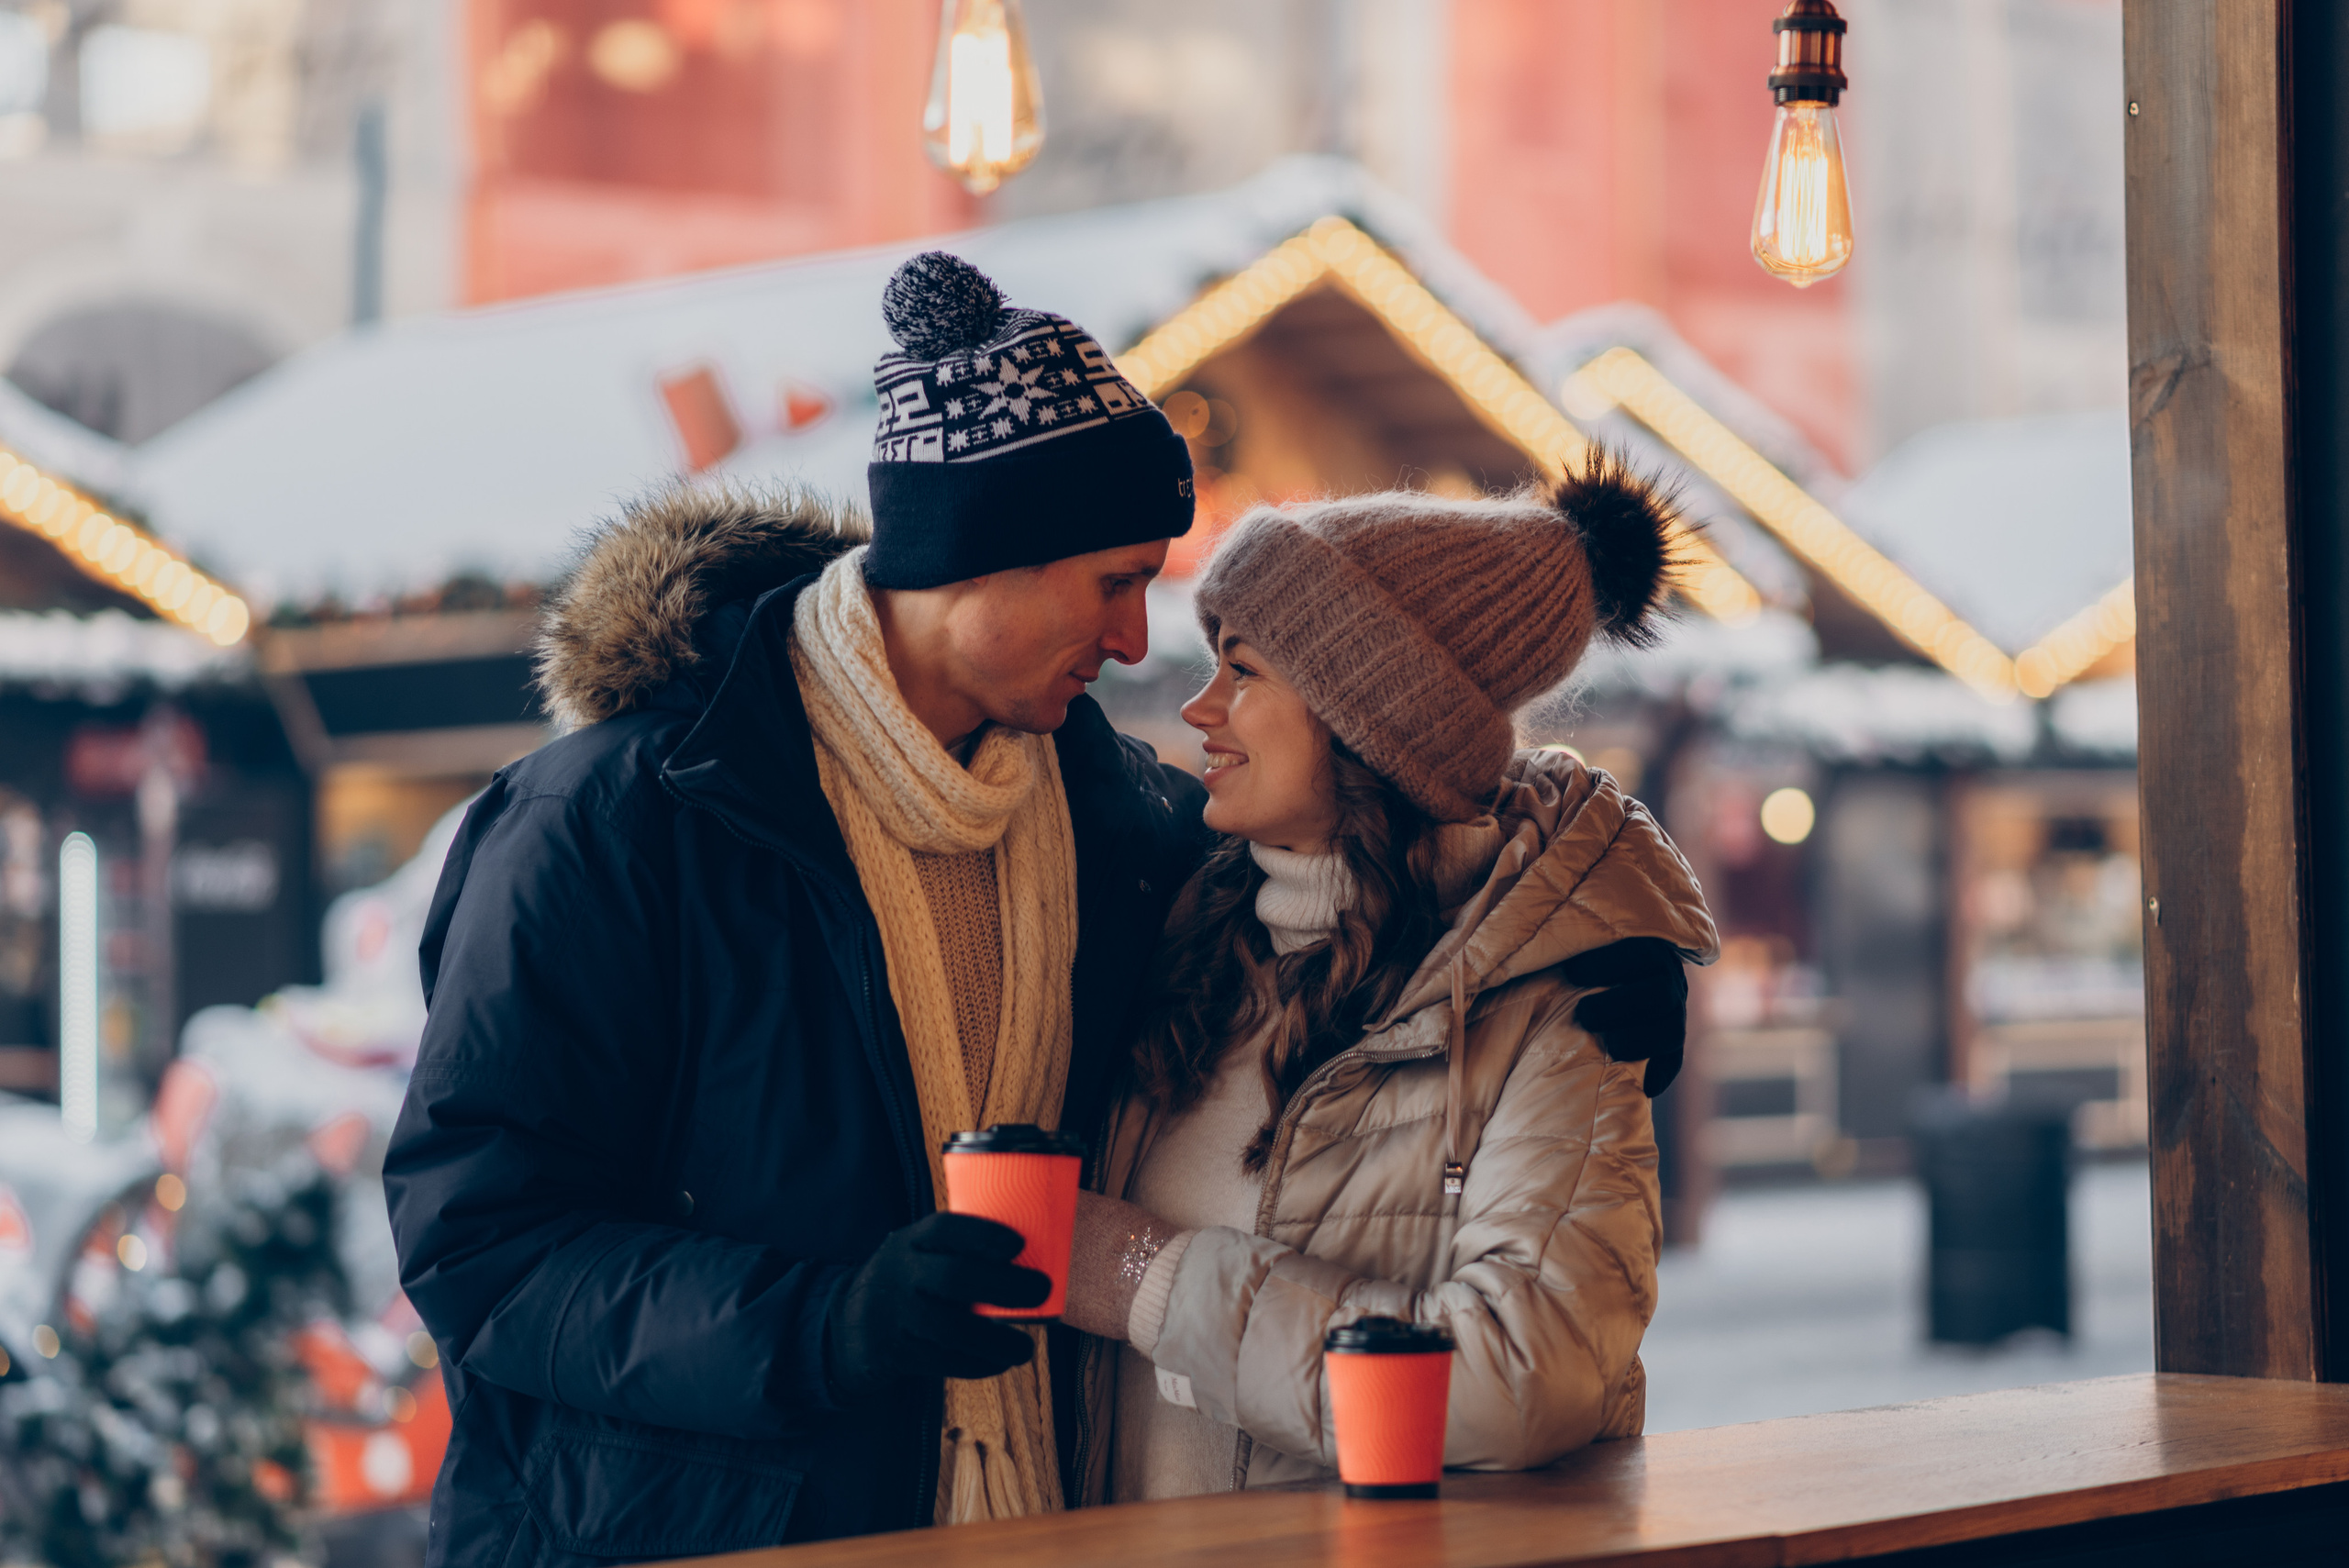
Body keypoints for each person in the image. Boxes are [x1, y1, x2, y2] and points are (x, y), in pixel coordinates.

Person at [383, 252, 1209, 1562]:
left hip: (1035, 1511)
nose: (1133, 640)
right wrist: (826, 1324)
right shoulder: (616, 819)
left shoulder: (1117, 823)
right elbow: (483, 1247)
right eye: (1116, 579)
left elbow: (1315, 947)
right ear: (981, 549)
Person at [1055, 460, 1720, 1500]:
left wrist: (1146, 1277)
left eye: (1243, 670)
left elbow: (1521, 1375)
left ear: (1368, 717)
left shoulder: (1561, 1007)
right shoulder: (1180, 930)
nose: (1199, 707)